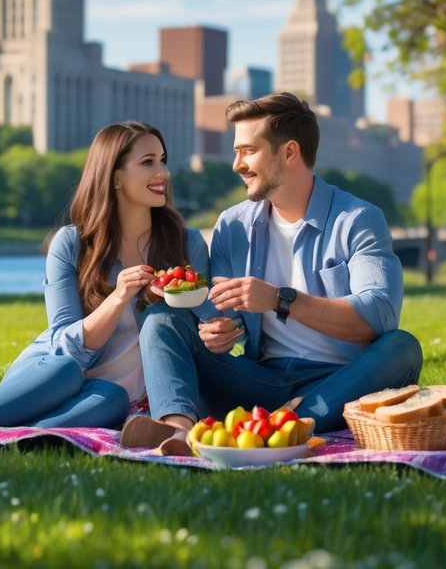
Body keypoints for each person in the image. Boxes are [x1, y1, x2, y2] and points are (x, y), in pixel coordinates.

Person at [120, 92, 422, 454]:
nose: (236, 164)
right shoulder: (233, 224)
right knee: (161, 319)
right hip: (258, 378)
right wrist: (219, 331)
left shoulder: (358, 220)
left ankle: (274, 425)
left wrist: (280, 299)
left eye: (248, 151)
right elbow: (226, 319)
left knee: (402, 347)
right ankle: (178, 431)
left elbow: (378, 316)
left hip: (340, 380)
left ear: (289, 152)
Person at [0, 120, 209, 429]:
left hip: (114, 389)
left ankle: (14, 434)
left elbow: (204, 327)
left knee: (112, 401)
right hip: (54, 372)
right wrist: (119, 297)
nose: (163, 172)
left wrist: (222, 326)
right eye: (148, 162)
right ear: (115, 177)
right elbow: (65, 345)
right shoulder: (71, 243)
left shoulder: (186, 243)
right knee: (65, 371)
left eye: (163, 160)